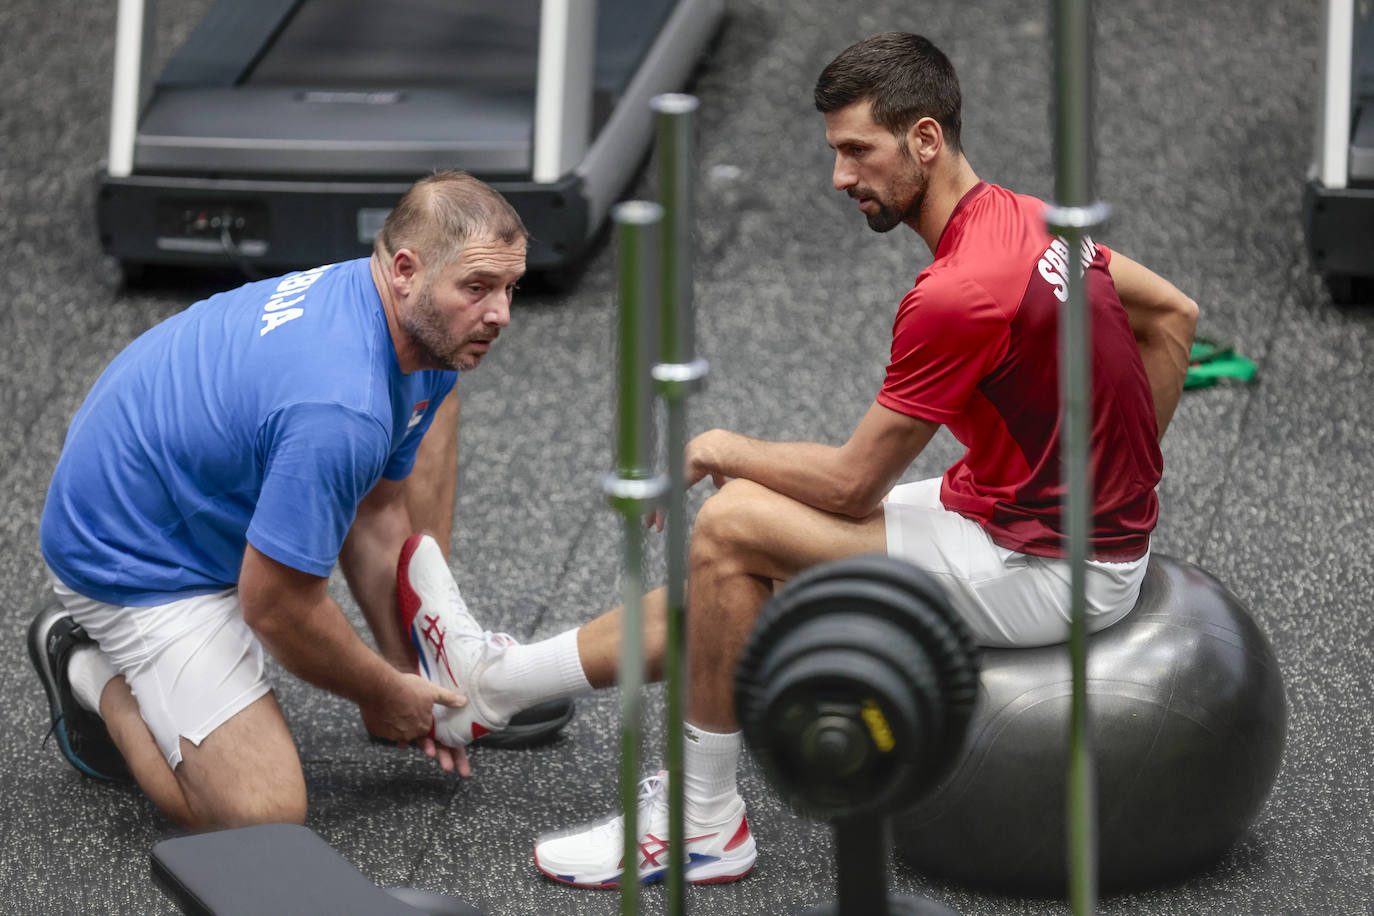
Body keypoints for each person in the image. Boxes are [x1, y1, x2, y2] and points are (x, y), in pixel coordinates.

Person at [379, 31, 1199, 887]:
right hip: (1030, 521)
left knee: (731, 525)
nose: (840, 177)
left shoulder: (957, 294)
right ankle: (493, 688)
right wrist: (1118, 475)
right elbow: (1172, 314)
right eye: (835, 152)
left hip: (1045, 567)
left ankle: (703, 825)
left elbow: (852, 485)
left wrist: (718, 446)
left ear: (925, 139)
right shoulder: (1029, 217)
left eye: (856, 151)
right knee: (741, 567)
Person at [29, 171, 574, 832]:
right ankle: (87, 666)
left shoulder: (408, 319)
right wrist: (374, 689)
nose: (502, 315)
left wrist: (406, 682)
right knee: (263, 816)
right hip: (131, 556)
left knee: (439, 383)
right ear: (405, 269)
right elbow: (276, 605)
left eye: (509, 289)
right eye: (478, 288)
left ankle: (430, 663)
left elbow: (376, 511)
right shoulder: (340, 407)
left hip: (183, 480)